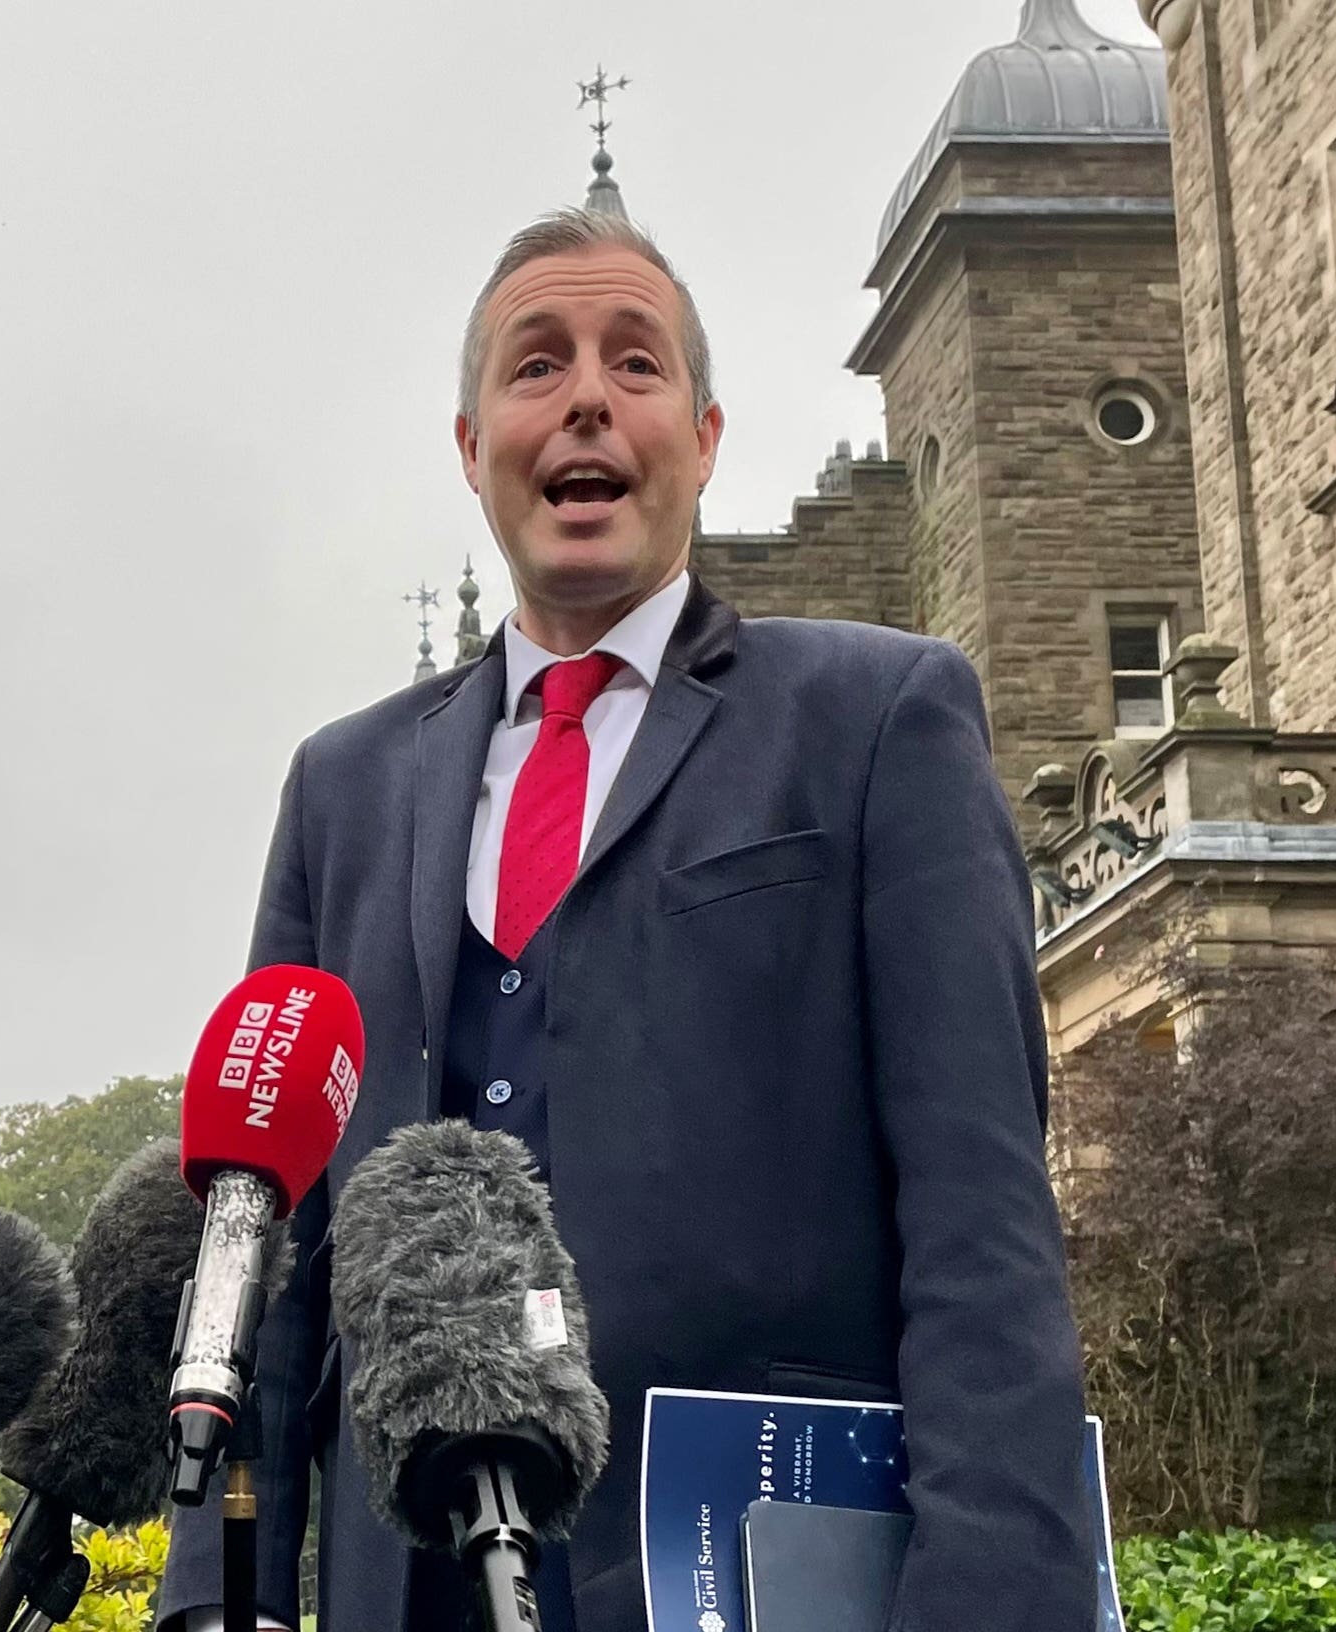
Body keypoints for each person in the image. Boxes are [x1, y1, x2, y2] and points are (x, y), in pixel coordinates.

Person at [155, 208, 1095, 1632]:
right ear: (473, 450)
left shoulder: (876, 717)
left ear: (704, 438)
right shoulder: (343, 787)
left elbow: (982, 1227)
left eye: (634, 363)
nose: (587, 394)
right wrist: (208, 1595)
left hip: (755, 1579)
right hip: (402, 1589)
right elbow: (268, 1251)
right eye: (536, 366)